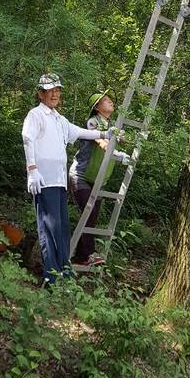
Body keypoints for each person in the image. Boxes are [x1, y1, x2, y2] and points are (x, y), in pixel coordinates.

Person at [22, 72, 115, 285]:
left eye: (57, 90)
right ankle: (51, 278)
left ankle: (64, 272)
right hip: (43, 180)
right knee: (49, 228)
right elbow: (28, 139)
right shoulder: (36, 115)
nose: (54, 94)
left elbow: (81, 132)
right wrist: (32, 170)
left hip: (59, 180)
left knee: (62, 228)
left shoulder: (59, 119)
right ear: (41, 94)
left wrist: (104, 134)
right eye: (50, 91)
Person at [69, 90, 131, 268]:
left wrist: (123, 139)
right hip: (81, 175)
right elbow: (102, 143)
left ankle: (81, 255)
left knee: (91, 217)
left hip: (98, 179)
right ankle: (85, 254)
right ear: (97, 107)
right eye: (106, 100)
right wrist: (117, 153)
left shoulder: (111, 124)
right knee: (89, 212)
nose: (110, 102)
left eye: (110, 99)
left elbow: (123, 139)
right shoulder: (92, 122)